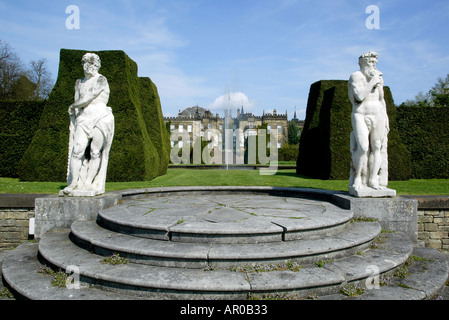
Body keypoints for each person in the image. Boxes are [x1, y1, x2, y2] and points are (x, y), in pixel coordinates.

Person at [63, 53, 114, 196]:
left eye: (91, 63)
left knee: (95, 152)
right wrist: (74, 110)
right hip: (84, 119)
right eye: (85, 63)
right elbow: (78, 101)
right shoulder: (79, 83)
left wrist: (73, 105)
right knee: (77, 150)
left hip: (100, 117)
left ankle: (89, 183)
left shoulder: (101, 80)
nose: (89, 66)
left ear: (97, 65)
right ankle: (74, 182)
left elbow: (88, 97)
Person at [348, 52, 389, 192]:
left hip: (378, 114)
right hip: (361, 114)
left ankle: (372, 179)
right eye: (371, 62)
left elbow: (381, 99)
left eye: (375, 63)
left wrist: (386, 117)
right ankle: (358, 177)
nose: (374, 65)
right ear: (363, 63)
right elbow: (359, 96)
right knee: (363, 147)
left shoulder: (379, 79)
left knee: (377, 146)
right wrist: (372, 82)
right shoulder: (356, 76)